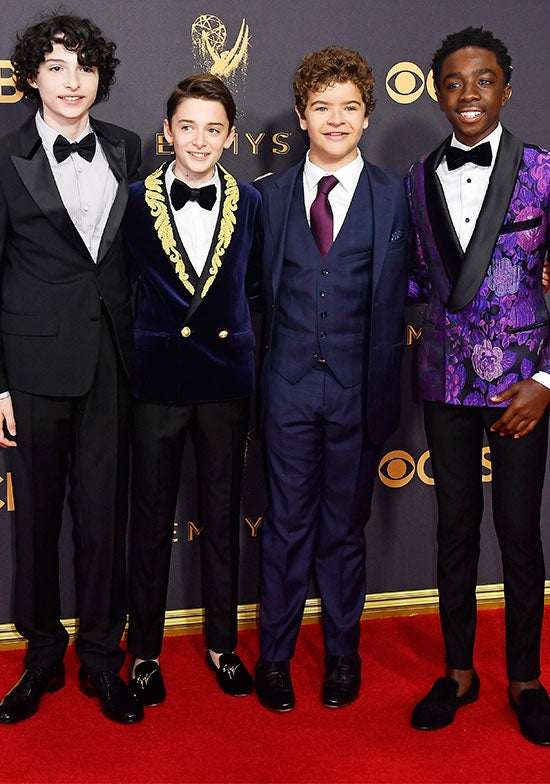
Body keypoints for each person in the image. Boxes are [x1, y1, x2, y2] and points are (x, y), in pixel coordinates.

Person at [254, 46, 410, 712]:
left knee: (345, 529)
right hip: (286, 386)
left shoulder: (397, 196)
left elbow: (429, 277)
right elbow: (247, 294)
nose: (336, 119)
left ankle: (343, 654)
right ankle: (275, 656)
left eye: (349, 107)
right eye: (322, 107)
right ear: (301, 115)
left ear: (368, 115)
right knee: (286, 525)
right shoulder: (268, 197)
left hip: (360, 388)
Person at [407, 26, 550, 745]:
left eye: (484, 80)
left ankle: (525, 678)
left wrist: (547, 379)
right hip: (443, 382)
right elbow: (414, 278)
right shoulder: (416, 178)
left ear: (507, 89)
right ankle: (458, 672)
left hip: (522, 390)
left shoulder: (545, 171)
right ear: (438, 94)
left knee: (519, 534)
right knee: (454, 530)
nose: (469, 94)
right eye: (454, 82)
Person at [0, 14, 142, 724]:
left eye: (84, 67)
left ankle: (101, 658)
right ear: (32, 76)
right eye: (56, 66)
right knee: (36, 521)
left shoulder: (127, 147)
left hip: (113, 361)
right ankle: (42, 656)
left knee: (104, 518)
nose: (72, 81)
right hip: (32, 365)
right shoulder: (5, 157)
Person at [122, 73, 261, 706]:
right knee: (150, 523)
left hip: (225, 383)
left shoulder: (252, 203)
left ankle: (222, 646)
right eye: (187, 127)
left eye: (213, 129)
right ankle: (145, 652)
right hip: (157, 383)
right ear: (167, 131)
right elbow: (122, 287)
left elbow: (256, 291)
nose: (199, 140)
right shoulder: (133, 199)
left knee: (222, 520)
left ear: (230, 137)